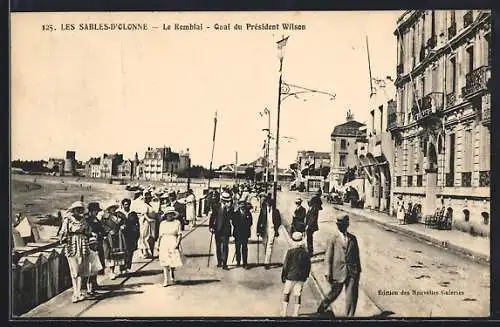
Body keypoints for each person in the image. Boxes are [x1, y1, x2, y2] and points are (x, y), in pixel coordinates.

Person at [317, 215, 361, 317]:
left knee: (352, 296)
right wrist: (327, 271)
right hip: (337, 271)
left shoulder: (353, 238)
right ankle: (324, 305)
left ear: (347, 225)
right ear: (337, 225)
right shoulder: (333, 238)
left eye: (344, 224)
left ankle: (349, 318)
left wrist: (358, 270)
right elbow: (328, 256)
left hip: (352, 271)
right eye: (340, 225)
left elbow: (356, 255)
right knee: (334, 293)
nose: (342, 227)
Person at [58, 201, 91, 303]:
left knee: (81, 269)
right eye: (77, 209)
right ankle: (75, 293)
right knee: (74, 270)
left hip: (82, 245)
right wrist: (62, 238)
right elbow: (62, 232)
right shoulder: (68, 220)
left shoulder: (84, 220)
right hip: (72, 244)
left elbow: (88, 231)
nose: (80, 211)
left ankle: (79, 292)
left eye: (81, 209)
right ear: (73, 211)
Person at [281, 232, 311, 317]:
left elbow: (286, 265)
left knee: (286, 293)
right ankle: (295, 313)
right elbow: (308, 266)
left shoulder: (290, 252)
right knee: (297, 294)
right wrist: (306, 276)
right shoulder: (305, 253)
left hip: (290, 276)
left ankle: (284, 312)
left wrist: (283, 275)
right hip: (301, 277)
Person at [156, 206, 183, 287]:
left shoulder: (177, 223)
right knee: (164, 261)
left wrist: (177, 244)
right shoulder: (162, 223)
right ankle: (165, 280)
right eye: (168, 214)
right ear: (166, 215)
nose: (169, 216)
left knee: (172, 261)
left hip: (173, 241)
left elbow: (179, 234)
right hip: (164, 242)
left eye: (171, 214)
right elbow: (160, 235)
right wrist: (158, 244)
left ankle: (172, 274)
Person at [101, 202, 128, 280]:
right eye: (111, 208)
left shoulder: (119, 215)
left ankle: (122, 268)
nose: (113, 209)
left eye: (114, 208)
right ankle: (112, 271)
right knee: (111, 253)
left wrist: (123, 226)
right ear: (109, 209)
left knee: (121, 251)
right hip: (110, 237)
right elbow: (103, 225)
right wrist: (108, 230)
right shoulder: (105, 217)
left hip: (119, 235)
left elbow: (124, 221)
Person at [209, 192, 234, 270]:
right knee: (218, 246)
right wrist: (211, 227)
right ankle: (219, 261)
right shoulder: (216, 206)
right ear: (222, 199)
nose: (226, 202)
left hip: (226, 230)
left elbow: (232, 218)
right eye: (225, 200)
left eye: (227, 200)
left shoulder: (230, 208)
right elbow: (212, 217)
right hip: (217, 229)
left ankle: (225, 263)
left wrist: (229, 209)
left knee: (225, 246)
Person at [85, 202, 106, 292]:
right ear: (91, 211)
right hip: (91, 244)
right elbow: (87, 231)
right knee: (91, 264)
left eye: (97, 211)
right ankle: (90, 285)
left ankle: (94, 283)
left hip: (98, 242)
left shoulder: (96, 219)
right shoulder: (87, 220)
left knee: (97, 263)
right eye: (95, 211)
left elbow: (102, 229)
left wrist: (101, 233)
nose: (96, 212)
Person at [256, 196, 282, 269]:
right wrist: (258, 231)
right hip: (264, 229)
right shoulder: (263, 210)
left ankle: (267, 262)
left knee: (269, 245)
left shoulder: (276, 211)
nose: (268, 205)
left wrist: (276, 227)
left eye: (270, 204)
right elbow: (259, 221)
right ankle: (266, 257)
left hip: (272, 230)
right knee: (265, 244)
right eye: (267, 203)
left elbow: (279, 221)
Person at [132, 191, 158, 259]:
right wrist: (149, 219)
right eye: (147, 198)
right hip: (145, 222)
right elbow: (144, 214)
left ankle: (148, 252)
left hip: (151, 222)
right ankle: (144, 252)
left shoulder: (149, 205)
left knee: (150, 237)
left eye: (149, 198)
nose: (148, 199)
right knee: (144, 236)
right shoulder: (144, 205)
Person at [118, 198, 140, 272]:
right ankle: (122, 267)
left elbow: (137, 224)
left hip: (131, 235)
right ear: (122, 205)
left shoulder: (133, 214)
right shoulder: (119, 214)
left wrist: (137, 234)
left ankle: (127, 266)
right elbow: (116, 224)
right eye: (125, 204)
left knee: (130, 251)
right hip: (122, 235)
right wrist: (120, 227)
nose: (126, 206)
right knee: (123, 250)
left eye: (127, 204)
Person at [232, 199, 253, 268]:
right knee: (237, 248)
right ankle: (238, 261)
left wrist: (245, 226)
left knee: (244, 248)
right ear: (239, 205)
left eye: (243, 204)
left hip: (245, 233)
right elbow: (234, 223)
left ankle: (245, 263)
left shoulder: (248, 213)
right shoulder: (235, 213)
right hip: (238, 233)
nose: (242, 206)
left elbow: (250, 223)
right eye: (240, 204)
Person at [305, 191, 323, 256]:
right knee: (309, 237)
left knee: (309, 237)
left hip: (311, 226)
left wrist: (308, 226)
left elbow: (312, 219)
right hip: (310, 225)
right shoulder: (313, 208)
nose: (308, 203)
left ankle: (310, 251)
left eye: (309, 202)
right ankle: (309, 250)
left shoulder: (313, 209)